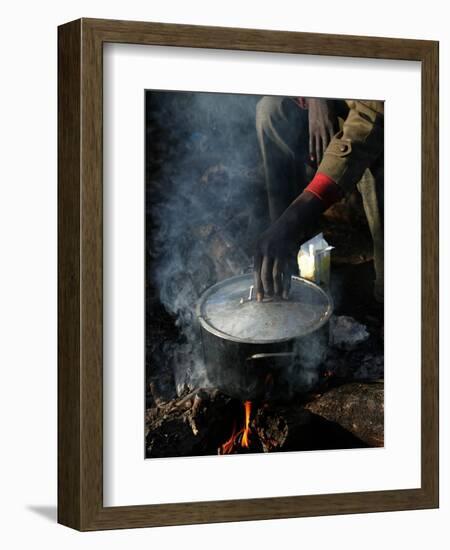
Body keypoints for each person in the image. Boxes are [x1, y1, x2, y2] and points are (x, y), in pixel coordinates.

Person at [254, 96, 384, 302]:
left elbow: (372, 117)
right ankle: (283, 253)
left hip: (374, 117)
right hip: (332, 101)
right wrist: (316, 95)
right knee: (271, 112)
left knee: (380, 152)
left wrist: (300, 212)